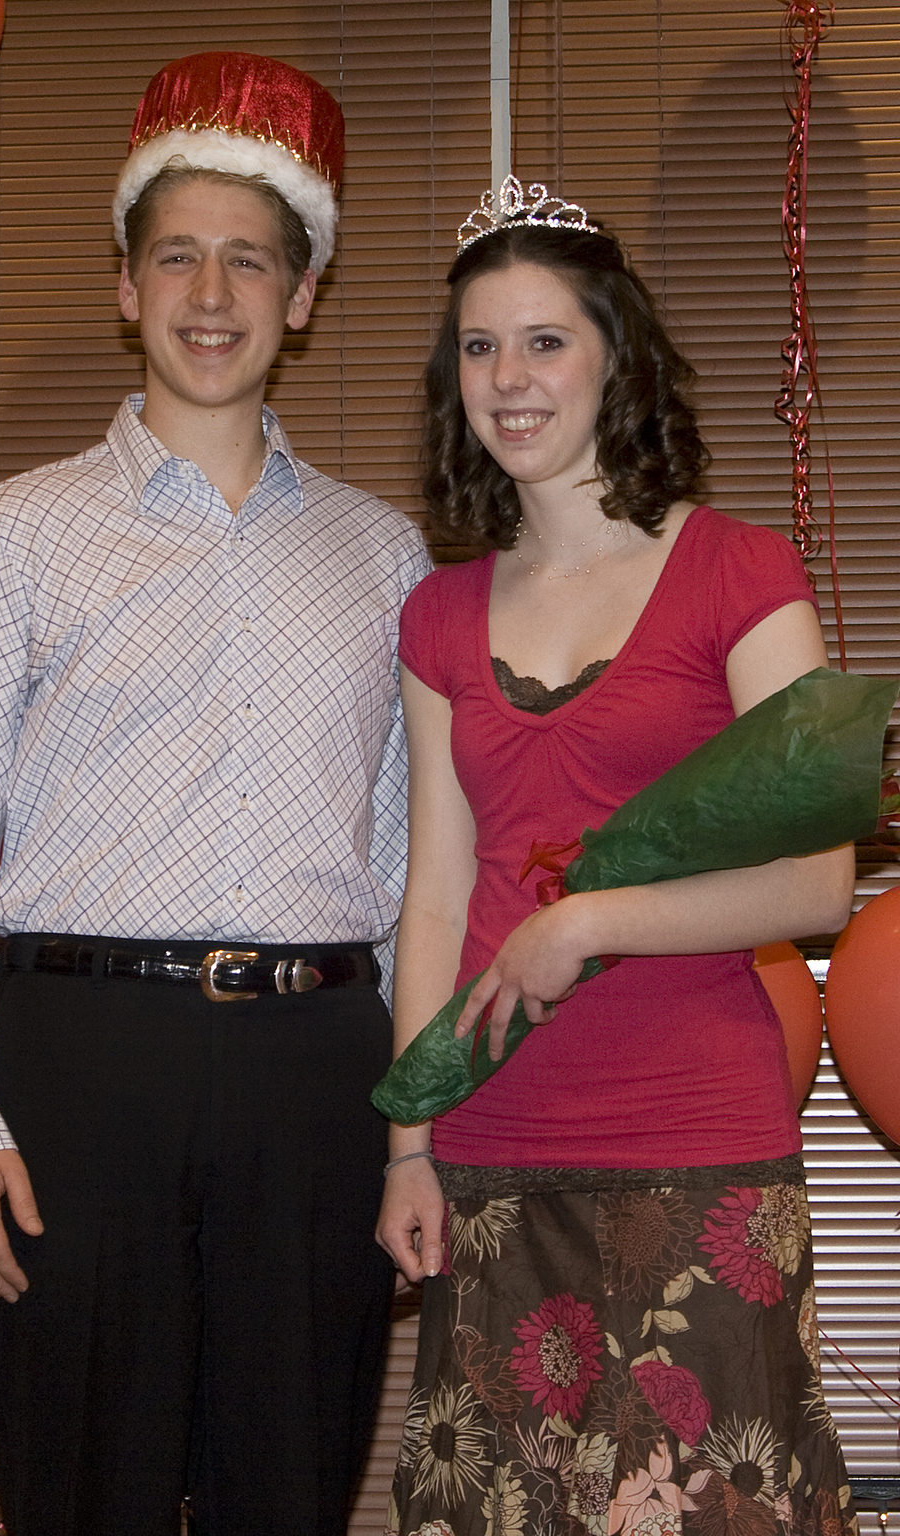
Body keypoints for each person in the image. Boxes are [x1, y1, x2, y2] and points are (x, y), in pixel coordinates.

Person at [0, 51, 430, 1536]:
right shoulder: (22, 533)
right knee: (84, 1500)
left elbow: (403, 873)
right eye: (176, 252)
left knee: (288, 1497)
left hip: (317, 1075)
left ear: (302, 297)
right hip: (81, 1074)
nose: (211, 290)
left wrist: (407, 1137)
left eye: (251, 259)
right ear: (126, 285)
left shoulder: (389, 564)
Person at [375, 176, 858, 1536]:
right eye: (480, 346)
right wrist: (409, 1147)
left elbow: (821, 881)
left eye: (545, 341)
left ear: (614, 357)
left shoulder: (744, 574)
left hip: (696, 1146)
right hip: (488, 1156)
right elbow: (434, 896)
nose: (509, 378)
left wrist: (591, 925)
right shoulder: (436, 616)